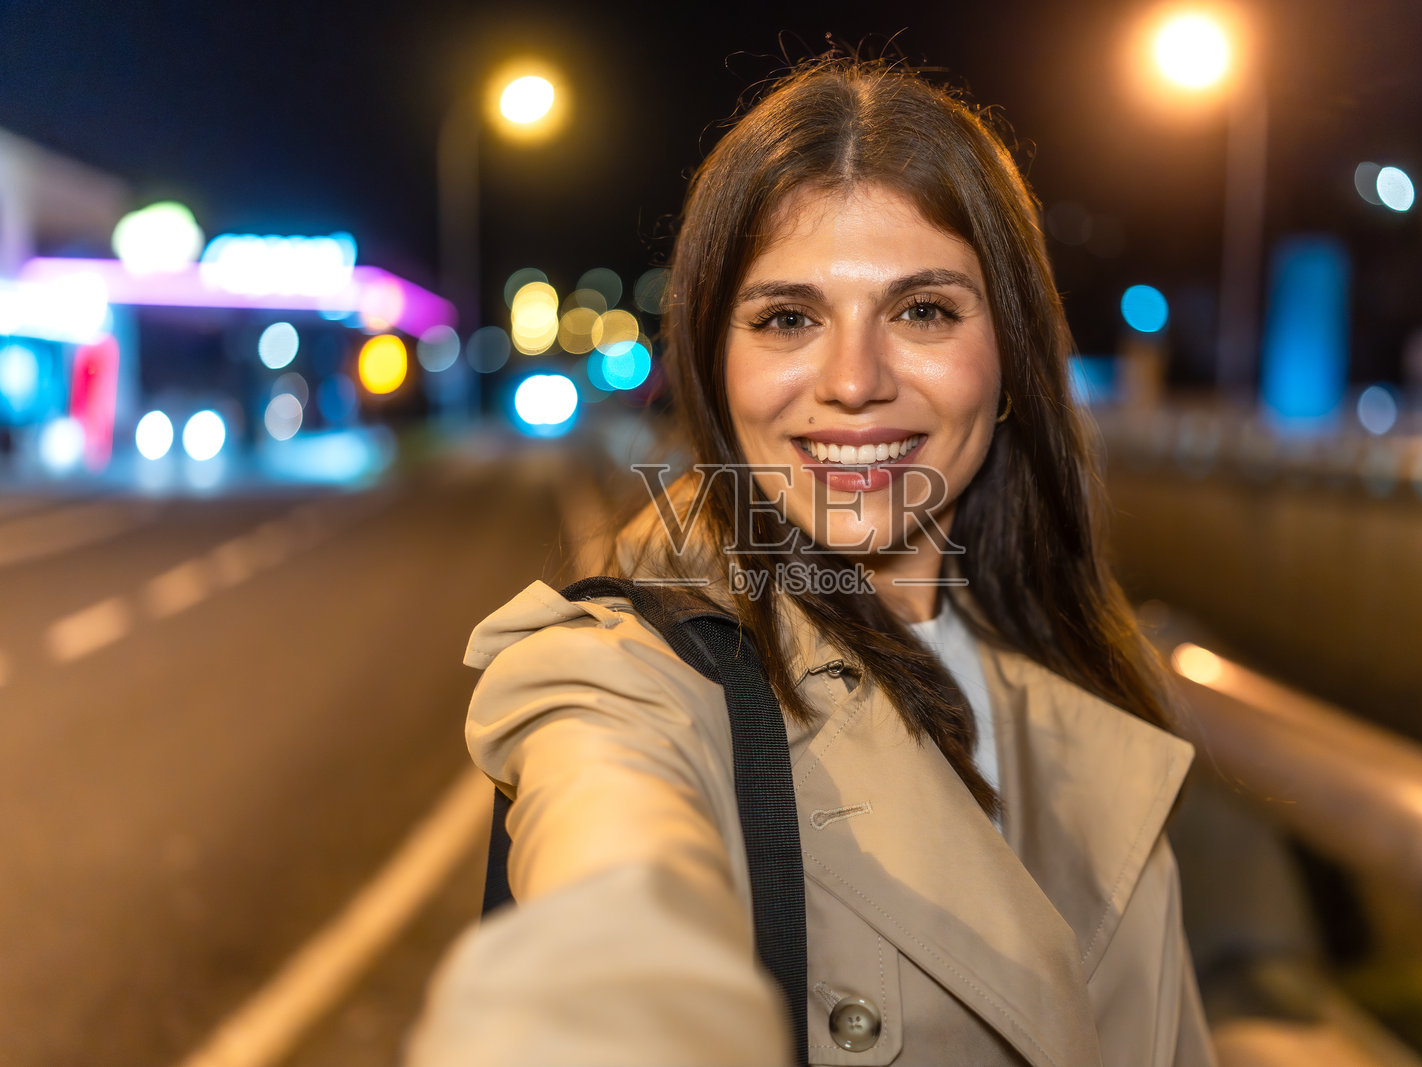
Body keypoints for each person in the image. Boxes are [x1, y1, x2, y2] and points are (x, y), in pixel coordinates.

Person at [408, 56, 1215, 1067]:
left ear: (1006, 350)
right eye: (788, 318)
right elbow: (610, 897)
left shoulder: (1064, 676)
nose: (852, 381)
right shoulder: (630, 675)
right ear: (715, 363)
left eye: (922, 310)